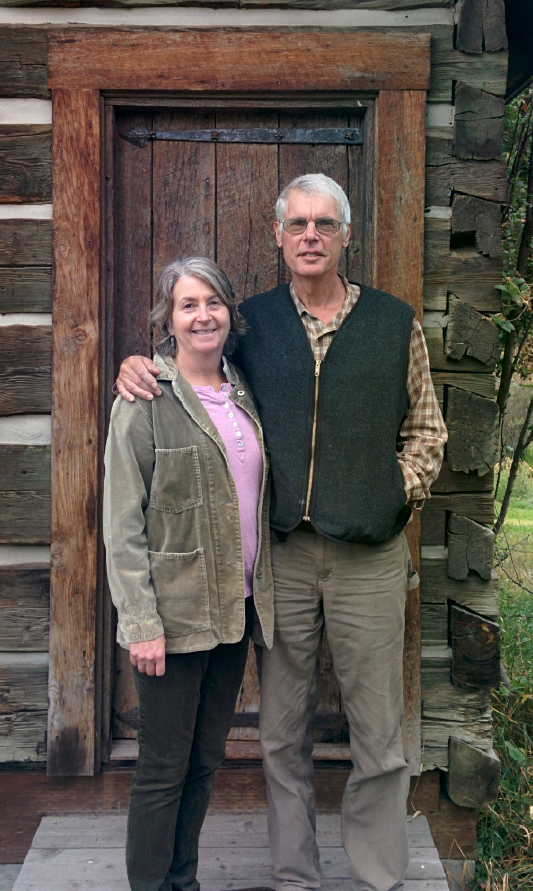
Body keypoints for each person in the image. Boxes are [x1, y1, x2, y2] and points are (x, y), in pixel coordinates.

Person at [116, 175, 448, 891]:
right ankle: (295, 876)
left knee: (378, 735)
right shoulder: (250, 324)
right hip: (282, 559)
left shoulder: (395, 323)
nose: (310, 235)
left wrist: (393, 494)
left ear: (345, 235)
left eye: (324, 224)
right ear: (276, 233)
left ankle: (378, 876)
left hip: (370, 558)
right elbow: (195, 372)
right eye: (297, 223)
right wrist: (140, 363)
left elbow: (426, 429)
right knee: (280, 734)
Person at [104, 256, 274, 891]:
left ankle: (184, 881)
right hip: (172, 622)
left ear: (230, 313)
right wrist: (141, 621)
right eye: (187, 304)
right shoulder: (144, 400)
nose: (203, 315)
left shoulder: (243, 389)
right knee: (161, 769)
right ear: (167, 320)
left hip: (234, 610)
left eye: (213, 302)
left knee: (205, 762)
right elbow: (121, 525)